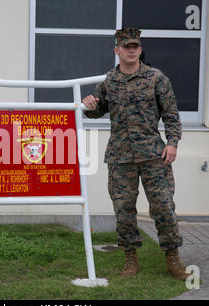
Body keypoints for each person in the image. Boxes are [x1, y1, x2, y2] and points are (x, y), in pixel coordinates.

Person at [82, 27, 189, 281]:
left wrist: (172, 143)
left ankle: (173, 260)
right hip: (120, 157)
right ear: (117, 50)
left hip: (154, 156)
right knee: (123, 210)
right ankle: (131, 260)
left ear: (140, 49)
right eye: (126, 46)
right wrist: (89, 105)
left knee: (163, 207)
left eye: (135, 46)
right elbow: (99, 110)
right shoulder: (109, 81)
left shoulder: (156, 78)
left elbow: (171, 115)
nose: (131, 50)